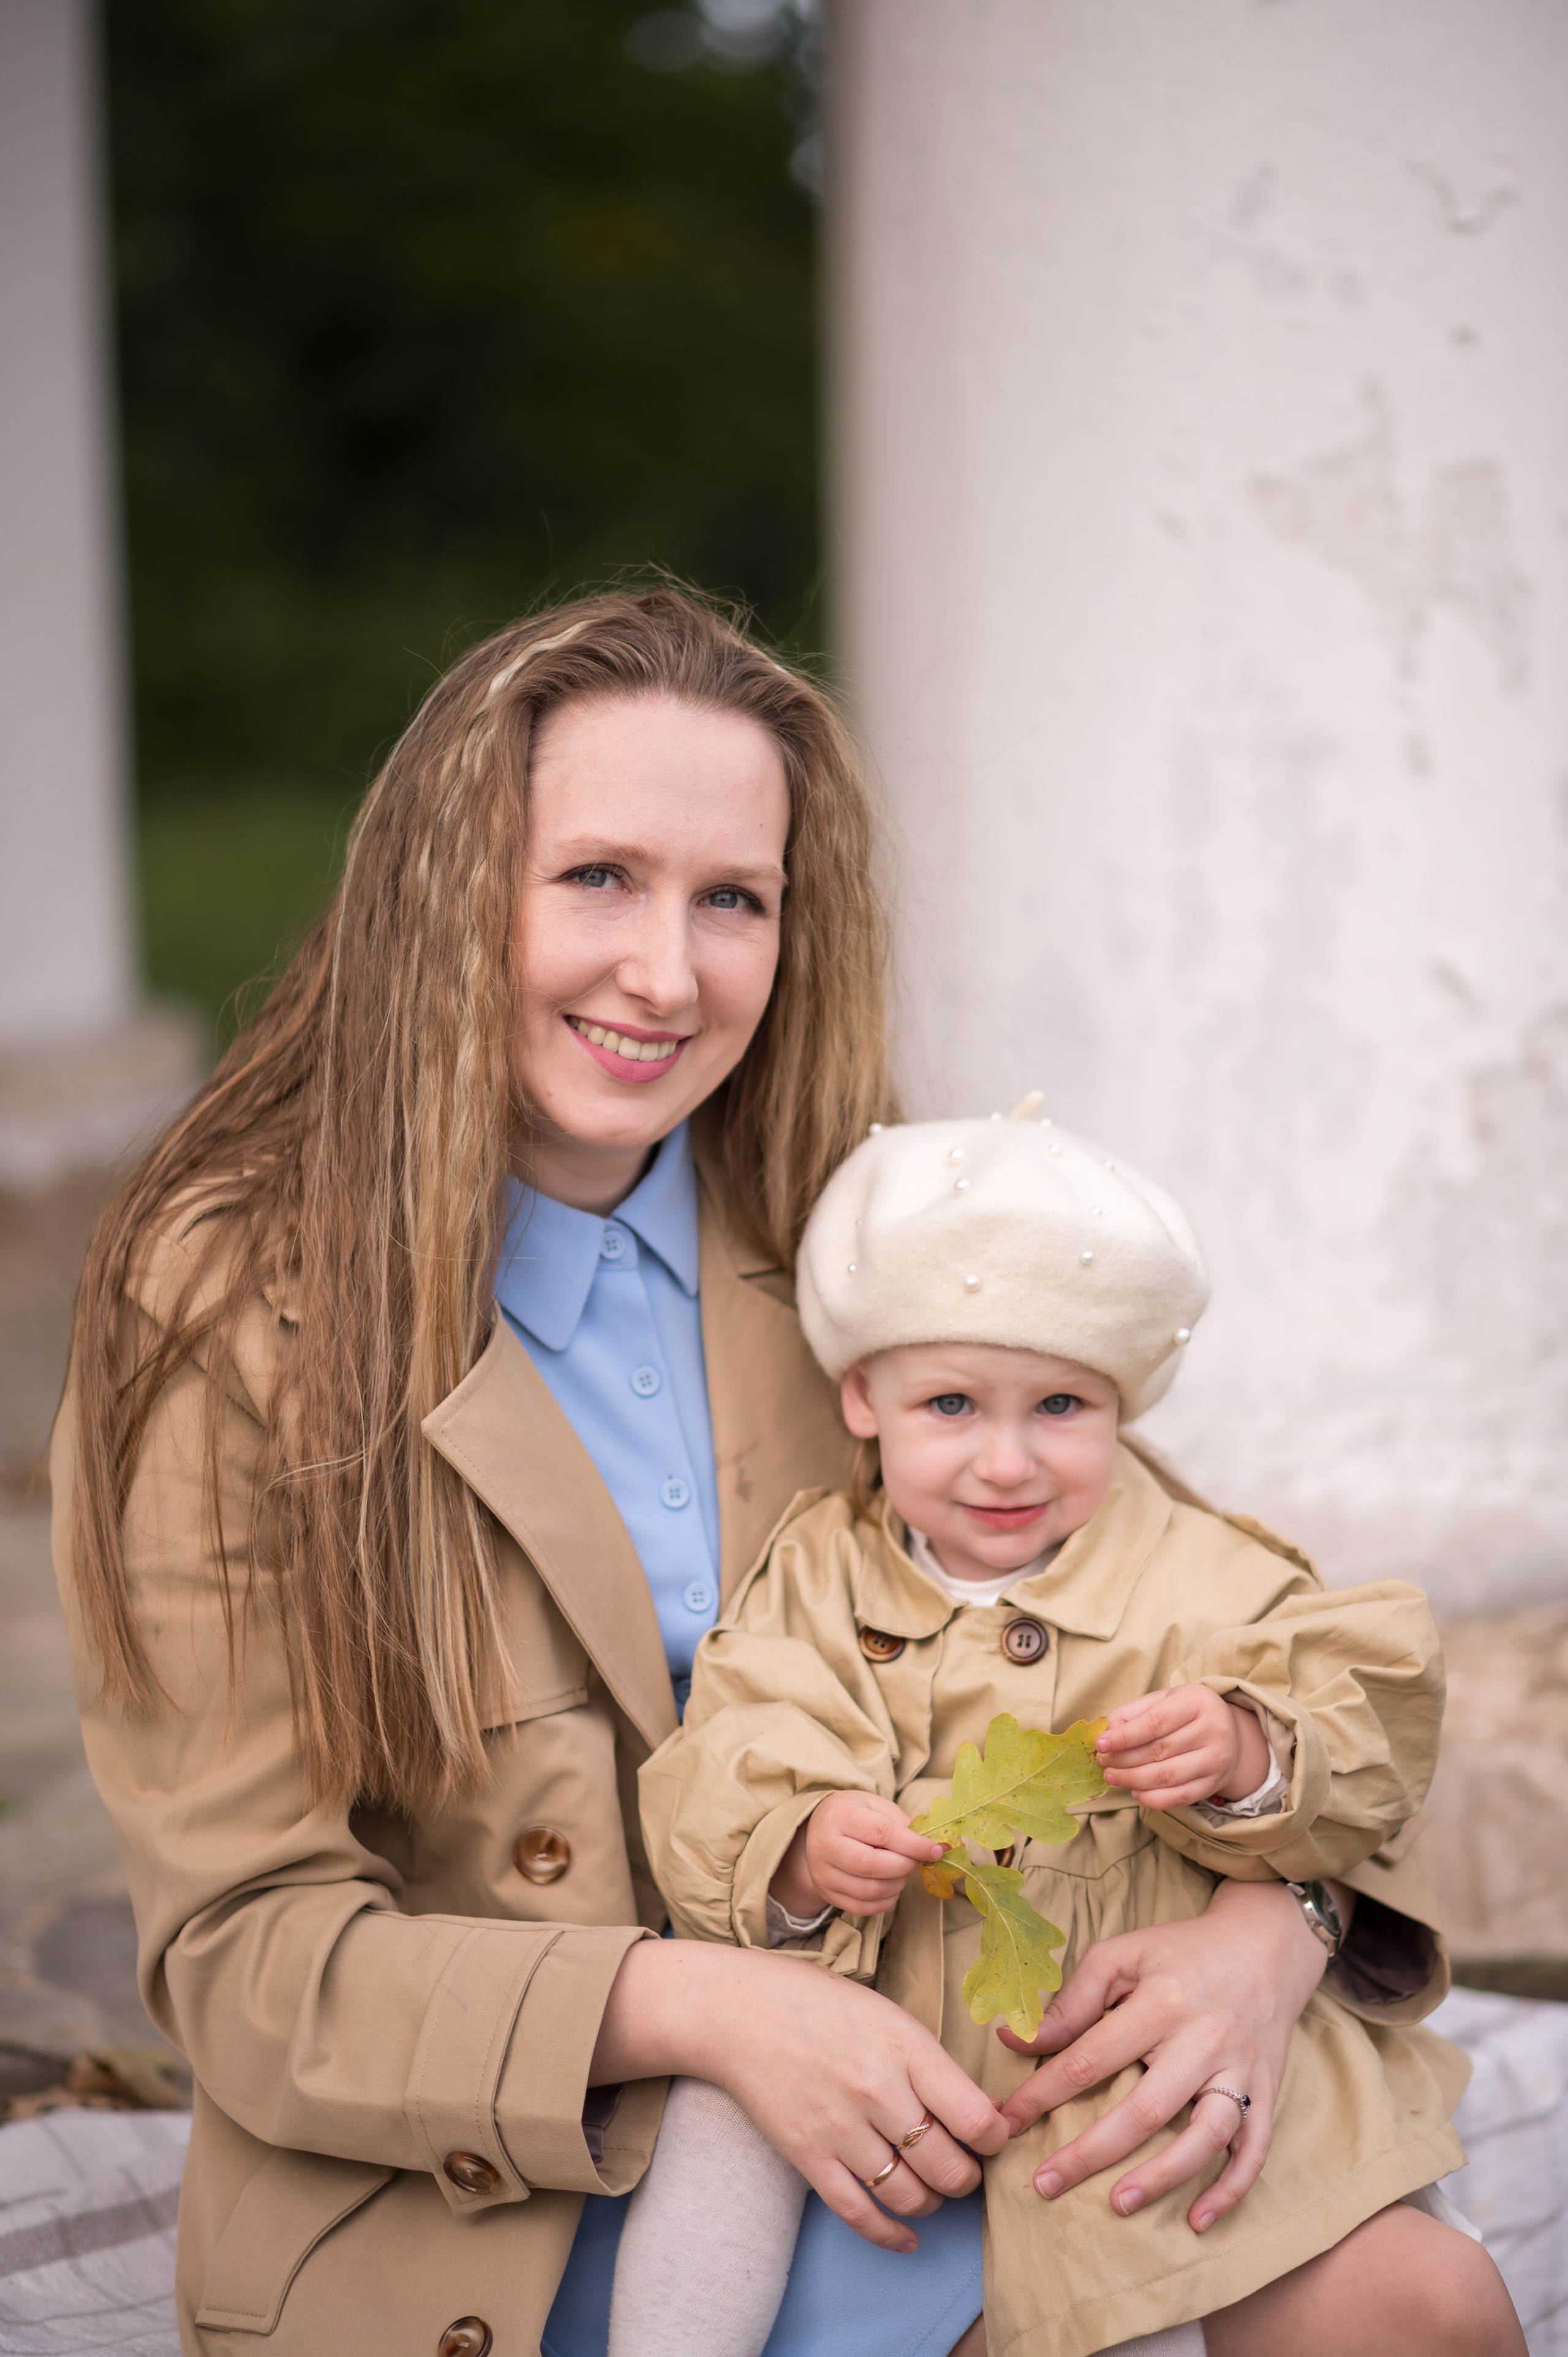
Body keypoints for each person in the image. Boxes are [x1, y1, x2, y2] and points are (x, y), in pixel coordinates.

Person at [51, 589, 1469, 2357]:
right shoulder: (228, 1312)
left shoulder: (855, 1232)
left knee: (1420, 2311)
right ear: (443, 888)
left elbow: (1175, 1615)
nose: (668, 973)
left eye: (733, 899)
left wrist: (1274, 1926)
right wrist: (707, 2010)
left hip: (928, 2032)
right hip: (507, 2153)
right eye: (596, 878)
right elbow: (251, 1962)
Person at [627, 1109, 1526, 2357]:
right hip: (862, 2023)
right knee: (711, 2124)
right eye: (950, 1403)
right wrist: (799, 1840)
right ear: (861, 1398)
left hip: (1113, 2029)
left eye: (1058, 1405)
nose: (1005, 1461)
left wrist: (1244, 1749)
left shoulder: (1195, 1571)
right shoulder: (816, 1576)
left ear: (1121, 1400)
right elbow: (736, 1734)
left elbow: (1357, 1714)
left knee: (1186, 2221)